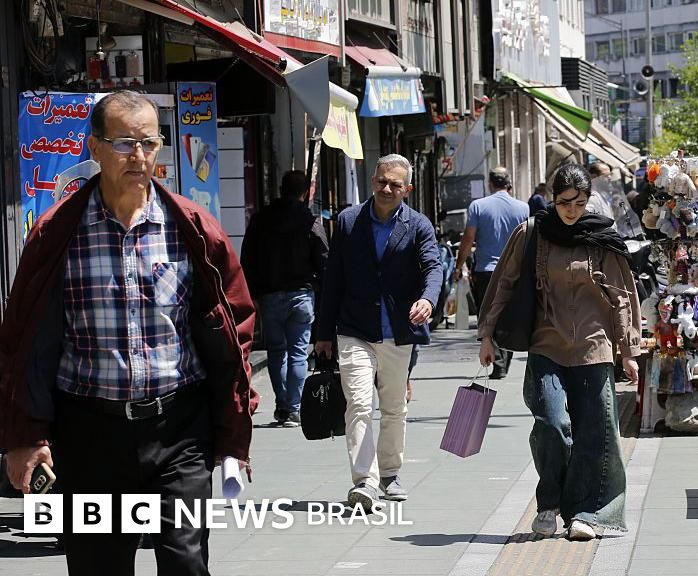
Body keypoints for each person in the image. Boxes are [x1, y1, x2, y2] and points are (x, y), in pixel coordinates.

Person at [0, 90, 256, 575]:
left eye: (149, 143)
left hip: (179, 430)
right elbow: (24, 340)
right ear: (95, 148)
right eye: (124, 143)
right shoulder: (58, 234)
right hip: (90, 434)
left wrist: (232, 434)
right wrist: (25, 435)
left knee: (186, 563)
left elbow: (234, 328)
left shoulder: (193, 229)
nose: (138, 156)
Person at [476, 163, 641, 541]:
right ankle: (549, 502)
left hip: (594, 347)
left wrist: (628, 350)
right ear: (553, 199)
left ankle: (586, 513)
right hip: (546, 344)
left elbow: (621, 296)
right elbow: (504, 284)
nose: (572, 210)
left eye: (580, 203)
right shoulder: (532, 233)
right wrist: (487, 335)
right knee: (551, 424)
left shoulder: (601, 237)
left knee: (595, 433)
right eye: (565, 202)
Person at [314, 154, 441, 509]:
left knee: (394, 407)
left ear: (407, 189)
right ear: (372, 180)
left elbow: (433, 267)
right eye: (381, 181)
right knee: (358, 402)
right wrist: (323, 333)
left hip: (398, 331)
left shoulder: (418, 225)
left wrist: (428, 299)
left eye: (395, 185)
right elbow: (333, 279)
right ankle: (364, 482)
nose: (386, 189)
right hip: (354, 328)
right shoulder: (348, 221)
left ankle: (389, 473)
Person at [241, 170, 329, 427]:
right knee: (298, 352)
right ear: (305, 192)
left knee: (276, 351)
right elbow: (324, 260)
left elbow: (247, 258)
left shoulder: (261, 220)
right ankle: (293, 407)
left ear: (281, 189)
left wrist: (252, 293)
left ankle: (281, 405)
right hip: (302, 295)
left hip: (269, 295)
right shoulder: (310, 221)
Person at [454, 167, 529, 379]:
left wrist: (459, 265)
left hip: (486, 270)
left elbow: (468, 238)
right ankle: (504, 358)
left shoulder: (478, 206)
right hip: (514, 271)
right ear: (509, 184)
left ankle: (497, 359)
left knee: (487, 314)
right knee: (508, 313)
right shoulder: (523, 207)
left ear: (490, 183)